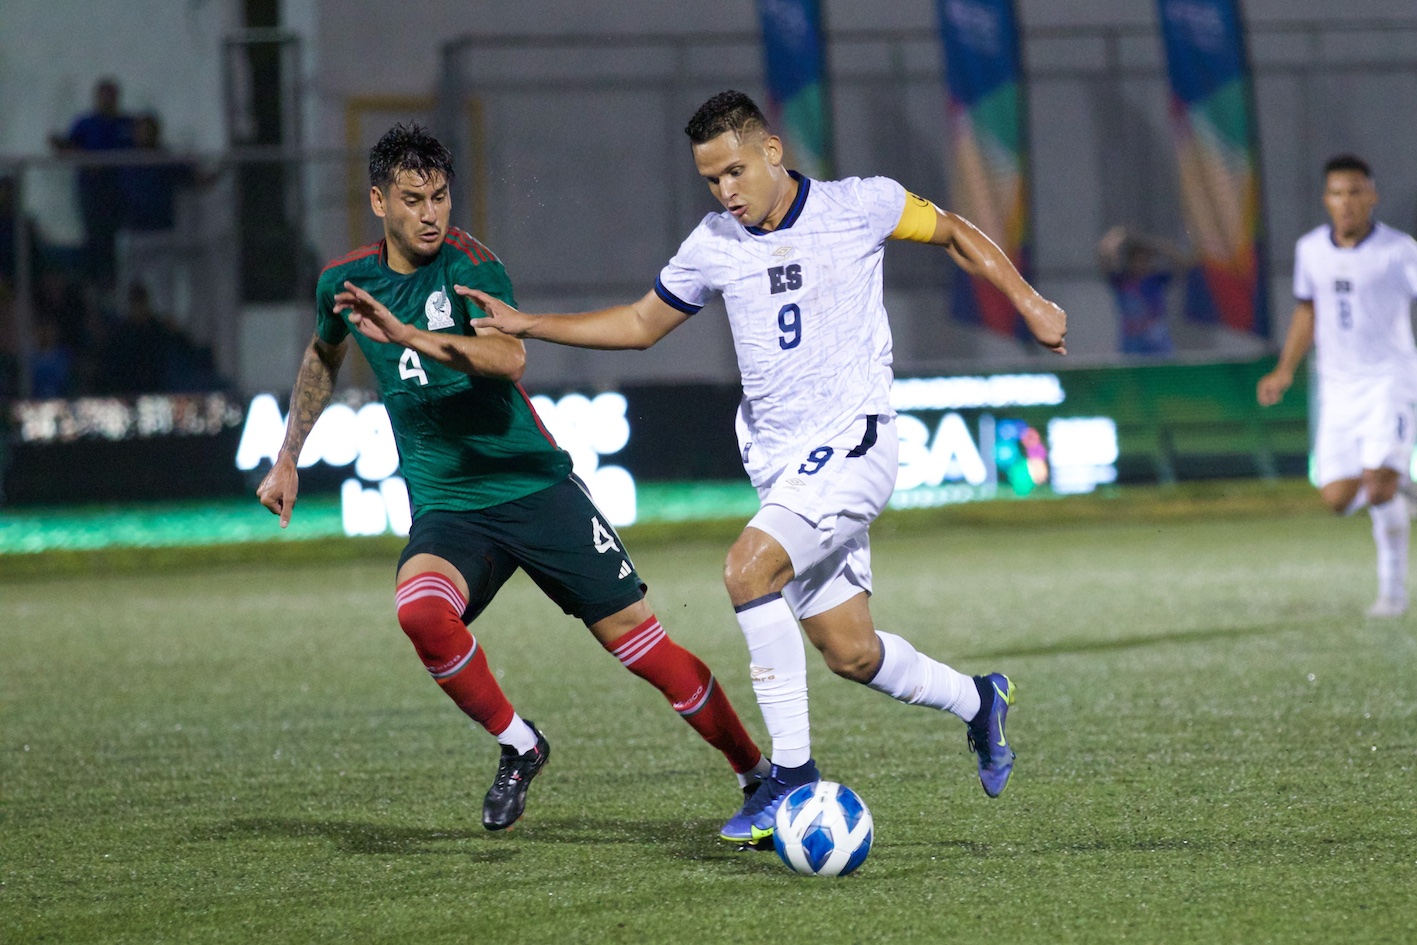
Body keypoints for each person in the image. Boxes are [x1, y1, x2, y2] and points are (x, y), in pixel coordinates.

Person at [448, 90, 1068, 846]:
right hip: (785, 470)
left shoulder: (860, 204)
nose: (726, 191)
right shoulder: (714, 242)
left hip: (854, 443)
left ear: (772, 150)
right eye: (711, 180)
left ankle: (791, 777)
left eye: (735, 171)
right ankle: (978, 701)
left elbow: (955, 232)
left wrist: (1030, 303)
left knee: (747, 570)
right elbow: (642, 323)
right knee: (850, 651)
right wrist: (531, 325)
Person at [256, 123, 767, 833]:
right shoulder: (344, 282)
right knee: (420, 613)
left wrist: (410, 336)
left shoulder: (471, 266)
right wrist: (288, 454)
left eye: (440, 196)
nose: (431, 214)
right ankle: (520, 743)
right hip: (450, 509)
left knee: (640, 646)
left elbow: (508, 359)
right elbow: (323, 352)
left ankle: (756, 773)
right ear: (378, 202)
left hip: (534, 489)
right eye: (413, 199)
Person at [1257, 154, 1417, 618]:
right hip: (1337, 387)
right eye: (1337, 193)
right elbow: (1306, 311)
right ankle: (1399, 485)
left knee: (1378, 488)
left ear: (1372, 196)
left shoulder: (1399, 250)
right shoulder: (1311, 250)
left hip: (1390, 380)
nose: (1346, 202)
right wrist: (1284, 370)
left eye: (1355, 192)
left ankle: (1392, 594)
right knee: (1338, 500)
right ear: (1326, 199)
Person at [49, 78, 135, 290]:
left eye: (110, 96)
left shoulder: (127, 124)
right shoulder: (86, 124)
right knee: (95, 238)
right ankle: (97, 283)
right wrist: (85, 158)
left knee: (118, 240)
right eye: (103, 96)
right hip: (93, 191)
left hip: (121, 191)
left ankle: (119, 284)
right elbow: (68, 149)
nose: (107, 100)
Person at [1097, 224, 1187, 356]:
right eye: (1139, 260)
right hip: (1132, 345)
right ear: (1130, 262)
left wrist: (1157, 245)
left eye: (1146, 260)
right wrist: (1118, 235)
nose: (1143, 265)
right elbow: (1105, 255)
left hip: (1159, 345)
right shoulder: (1122, 281)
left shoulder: (1156, 280)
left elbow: (1182, 264)